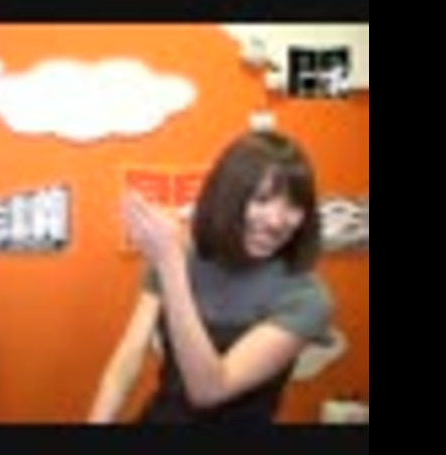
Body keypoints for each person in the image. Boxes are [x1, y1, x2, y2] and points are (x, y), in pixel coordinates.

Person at [88, 130, 333, 424]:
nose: (276, 221)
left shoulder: (305, 297)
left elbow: (209, 390)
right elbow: (128, 359)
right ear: (227, 198)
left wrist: (172, 268)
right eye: (262, 199)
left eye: (294, 205)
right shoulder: (177, 253)